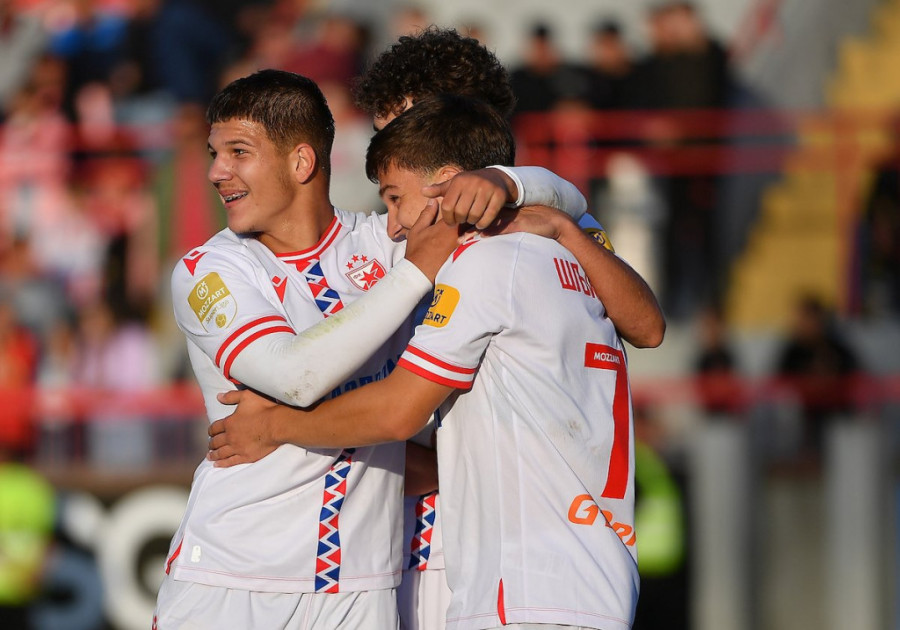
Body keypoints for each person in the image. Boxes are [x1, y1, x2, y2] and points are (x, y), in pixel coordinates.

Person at [154, 68, 619, 629]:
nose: (216, 172)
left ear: (301, 162)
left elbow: (575, 208)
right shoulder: (208, 269)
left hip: (363, 588)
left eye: (237, 152)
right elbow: (293, 376)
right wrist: (417, 270)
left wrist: (504, 181)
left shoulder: (388, 239)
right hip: (233, 577)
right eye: (214, 154)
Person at [353, 26, 664, 629]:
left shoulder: (534, 232)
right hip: (432, 525)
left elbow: (648, 326)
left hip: (488, 544)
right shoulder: (392, 225)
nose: (389, 150)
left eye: (400, 128)